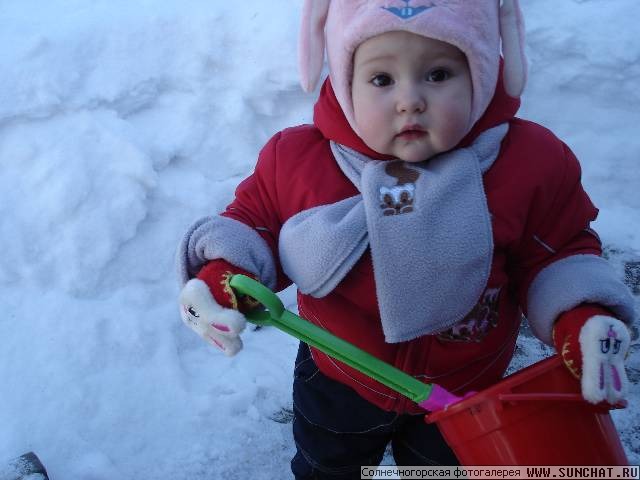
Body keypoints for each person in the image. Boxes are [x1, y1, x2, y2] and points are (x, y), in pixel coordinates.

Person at [176, 1, 636, 477]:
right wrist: (224, 274)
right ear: (344, 83)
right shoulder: (298, 161)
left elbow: (557, 253)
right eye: (381, 80)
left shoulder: (526, 166)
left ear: (481, 75)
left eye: (438, 75)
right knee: (328, 465)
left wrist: (579, 316)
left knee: (438, 470)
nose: (410, 100)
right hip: (339, 374)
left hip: (464, 387)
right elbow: (254, 225)